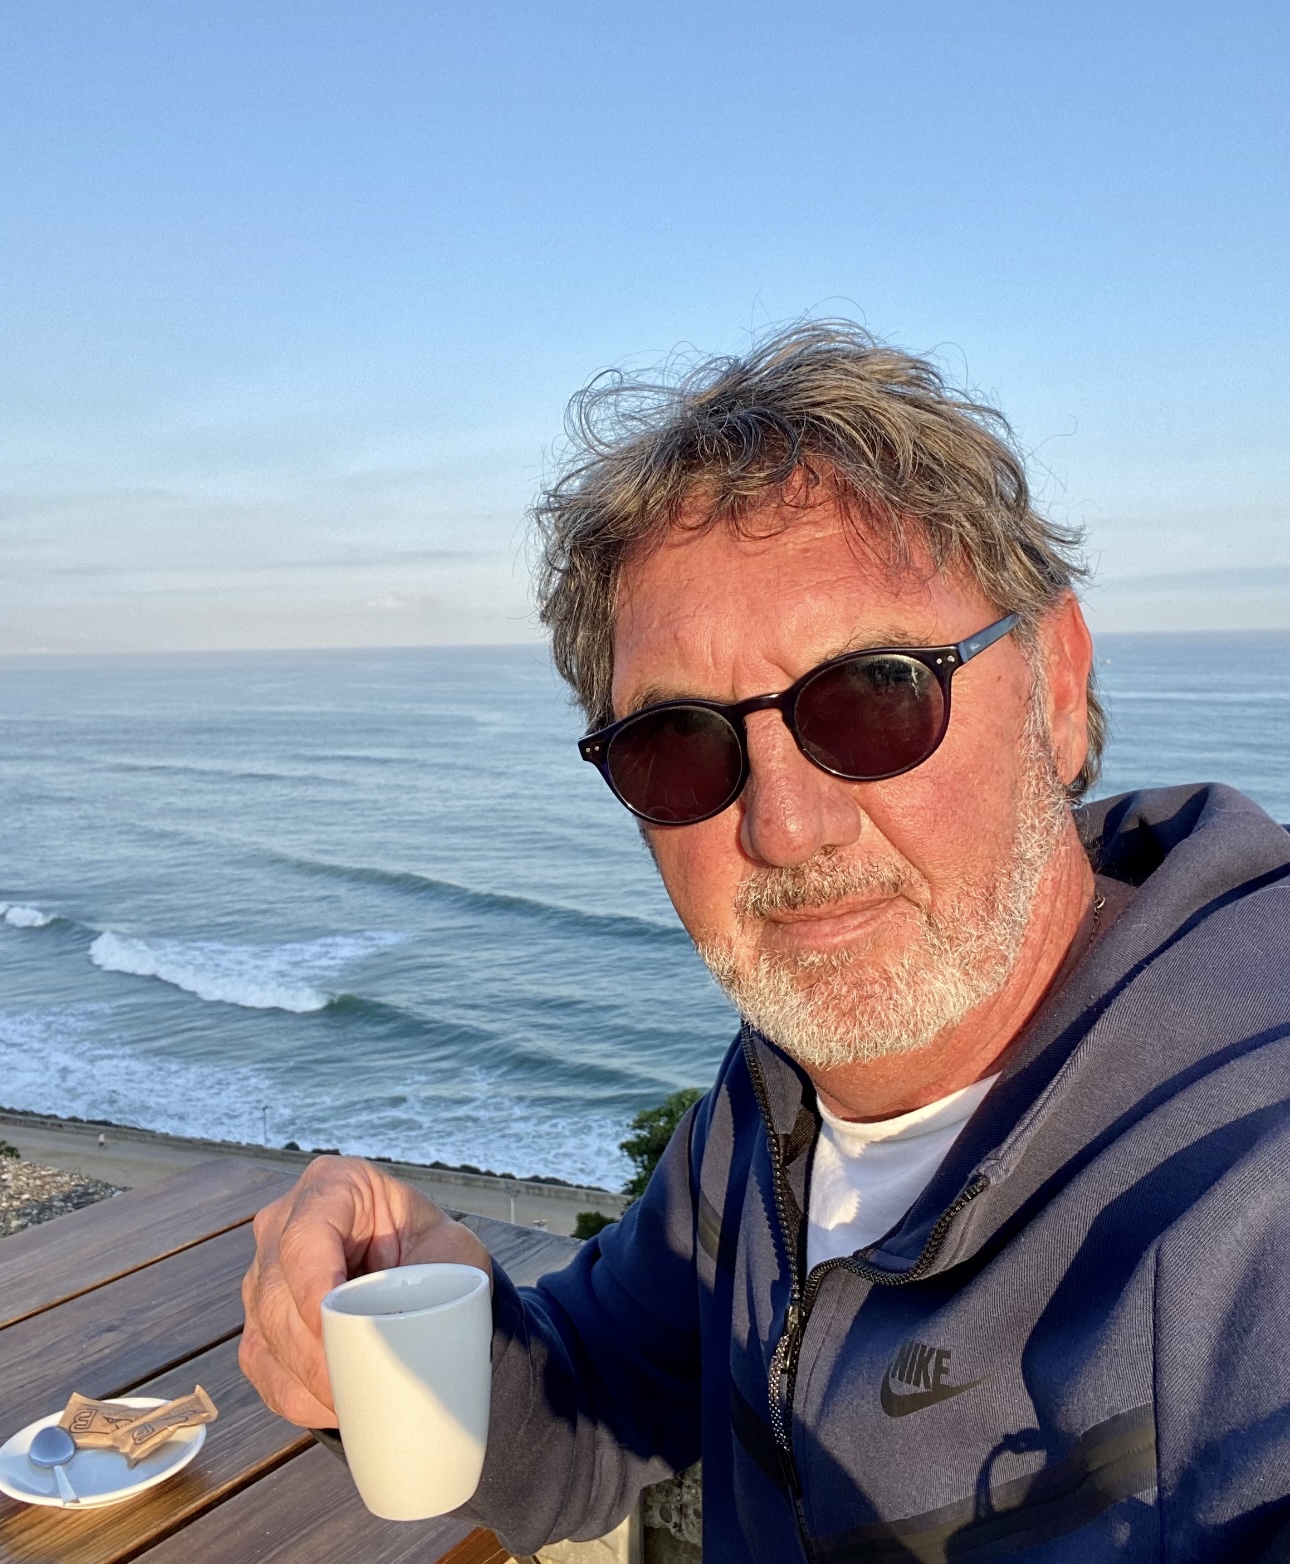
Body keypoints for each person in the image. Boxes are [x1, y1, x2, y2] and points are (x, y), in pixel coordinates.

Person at [240, 322, 1290, 1561]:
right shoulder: (771, 1108)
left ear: (1054, 686)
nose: (785, 826)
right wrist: (431, 1327)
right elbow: (595, 1410)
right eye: (680, 742)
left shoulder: (1245, 1187)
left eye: (878, 691)